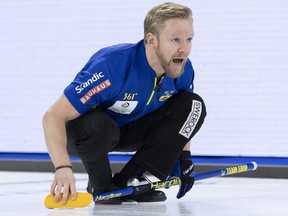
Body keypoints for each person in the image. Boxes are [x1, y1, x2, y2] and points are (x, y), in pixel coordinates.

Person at [42, 2, 206, 205]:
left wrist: (184, 157)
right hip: (87, 135)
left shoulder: (183, 70)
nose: (185, 49)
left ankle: (136, 181)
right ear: (151, 40)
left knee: (193, 105)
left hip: (130, 129)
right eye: (175, 40)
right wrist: (62, 168)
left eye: (189, 39)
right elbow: (53, 116)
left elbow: (184, 116)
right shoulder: (112, 66)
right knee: (98, 123)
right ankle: (101, 185)